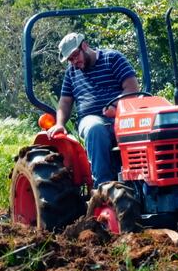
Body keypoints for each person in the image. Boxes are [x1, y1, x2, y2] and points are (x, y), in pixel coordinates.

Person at [46, 32, 139, 186]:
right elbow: (65, 101)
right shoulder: (71, 72)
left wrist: (117, 107)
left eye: (75, 56)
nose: (74, 62)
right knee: (95, 128)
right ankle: (104, 187)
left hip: (122, 117)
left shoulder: (113, 59)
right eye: (70, 59)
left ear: (85, 46)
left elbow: (132, 89)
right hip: (91, 119)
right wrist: (60, 124)